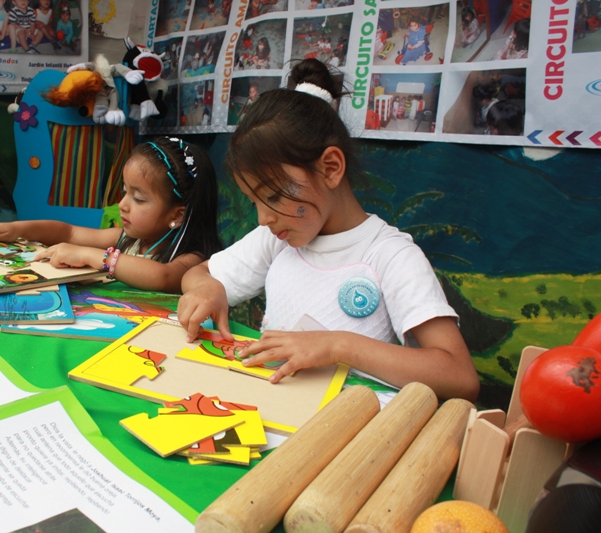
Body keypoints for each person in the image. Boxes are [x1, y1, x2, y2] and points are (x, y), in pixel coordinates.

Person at [178, 59, 479, 401]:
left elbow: (459, 376)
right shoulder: (277, 238)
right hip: (270, 412)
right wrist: (206, 288)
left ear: (331, 168)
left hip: (346, 434)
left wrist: (339, 345)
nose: (263, 218)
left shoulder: (390, 255)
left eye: (274, 195)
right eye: (253, 201)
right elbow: (200, 272)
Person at [0, 137, 222, 294]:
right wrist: (20, 230)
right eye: (125, 192)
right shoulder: (127, 240)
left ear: (177, 215)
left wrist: (93, 256)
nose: (123, 205)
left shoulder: (192, 260)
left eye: (138, 199)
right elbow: (69, 232)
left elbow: (162, 277)